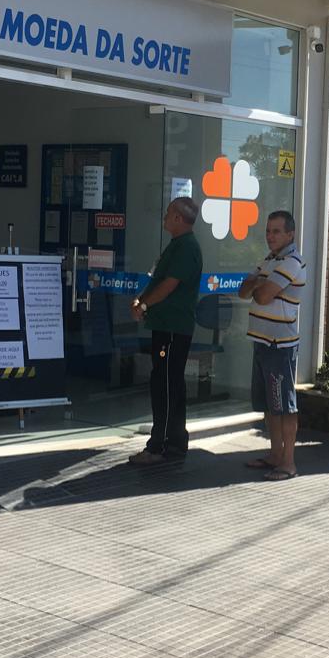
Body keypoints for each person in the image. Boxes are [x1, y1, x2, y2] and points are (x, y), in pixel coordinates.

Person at [128, 197, 203, 465]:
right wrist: (142, 301)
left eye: (169, 213)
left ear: (179, 219)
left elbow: (169, 285)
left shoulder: (186, 248)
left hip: (173, 328)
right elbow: (158, 279)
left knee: (167, 386)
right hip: (164, 326)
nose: (165, 216)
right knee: (164, 382)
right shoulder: (177, 245)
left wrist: (145, 303)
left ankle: (162, 446)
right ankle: (169, 443)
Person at [238, 210, 306, 481]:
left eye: (276, 231)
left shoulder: (292, 262)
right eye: (268, 231)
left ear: (290, 234)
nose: (270, 236)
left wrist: (259, 284)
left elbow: (263, 296)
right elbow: (243, 291)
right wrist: (259, 282)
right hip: (261, 342)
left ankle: (288, 463)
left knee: (284, 406)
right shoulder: (269, 260)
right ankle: (274, 455)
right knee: (269, 405)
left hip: (280, 345)